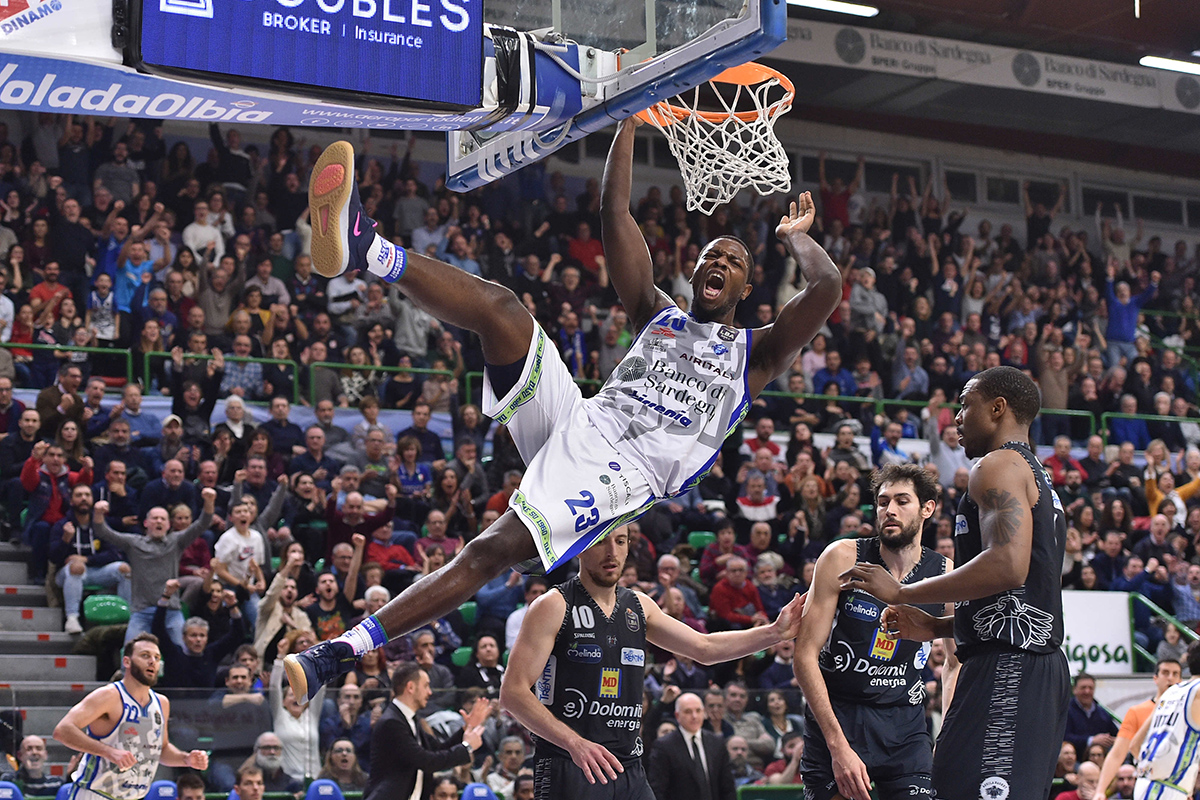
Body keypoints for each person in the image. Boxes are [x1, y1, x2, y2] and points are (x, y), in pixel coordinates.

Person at [285, 127, 840, 699]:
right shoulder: (658, 313)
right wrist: (627, 120)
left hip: (626, 472)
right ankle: (368, 248)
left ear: (746, 287)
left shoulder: (756, 354)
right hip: (583, 418)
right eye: (711, 256)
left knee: (489, 549)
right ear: (695, 273)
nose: (720, 262)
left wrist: (797, 238)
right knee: (502, 309)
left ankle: (337, 654)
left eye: (734, 261)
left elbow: (826, 287)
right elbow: (614, 210)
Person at [841, 366, 1070, 799]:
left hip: (1010, 666)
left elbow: (1007, 567)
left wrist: (903, 592)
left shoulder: (997, 466)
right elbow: (1022, 596)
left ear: (998, 408)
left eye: (966, 405)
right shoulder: (1037, 474)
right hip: (1024, 662)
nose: (957, 417)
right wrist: (938, 627)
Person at [500, 525, 803, 796]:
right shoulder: (553, 605)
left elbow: (704, 648)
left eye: (621, 541)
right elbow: (512, 693)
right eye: (601, 541)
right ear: (580, 547)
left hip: (628, 766)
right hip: (570, 764)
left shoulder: (639, 605)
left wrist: (775, 632)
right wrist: (574, 743)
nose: (612, 552)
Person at [794, 463, 950, 800]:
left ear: (927, 509)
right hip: (839, 718)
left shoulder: (944, 573)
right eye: (882, 502)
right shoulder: (842, 557)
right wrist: (838, 746)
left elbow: (956, 662)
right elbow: (804, 654)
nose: (889, 510)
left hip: (905, 727)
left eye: (902, 501)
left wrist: (947, 736)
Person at [52, 634, 209, 800]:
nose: (152, 662)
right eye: (145, 656)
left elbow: (161, 749)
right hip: (95, 794)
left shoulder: (162, 703)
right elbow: (62, 731)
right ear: (127, 662)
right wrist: (108, 752)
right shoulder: (109, 695)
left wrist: (186, 759)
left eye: (156, 657)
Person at [93, 490, 217, 647]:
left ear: (168, 524)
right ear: (146, 523)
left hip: (171, 612)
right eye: (155, 518)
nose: (158, 521)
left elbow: (202, 524)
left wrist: (209, 501)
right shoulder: (133, 543)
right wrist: (98, 512)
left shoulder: (176, 542)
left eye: (162, 519)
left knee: (183, 653)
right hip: (142, 611)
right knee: (130, 652)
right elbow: (103, 532)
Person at [364, 661, 490, 800]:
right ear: (410, 687)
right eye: (426, 686)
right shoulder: (392, 723)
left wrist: (466, 728)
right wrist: (467, 746)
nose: (430, 692)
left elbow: (437, 749)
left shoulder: (409, 719)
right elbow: (427, 761)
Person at [1125, 641, 1200, 800]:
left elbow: (1134, 746)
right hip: (1164, 788)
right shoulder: (1196, 692)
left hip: (1151, 784)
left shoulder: (1170, 692)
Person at [1095, 658, 1182, 794]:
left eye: (1175, 674)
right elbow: (1117, 754)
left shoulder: (1188, 712)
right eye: (1165, 673)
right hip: (1148, 781)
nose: (1170, 678)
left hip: (1179, 784)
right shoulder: (1137, 712)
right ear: (1155, 678)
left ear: (1181, 681)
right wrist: (1100, 790)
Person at [647, 693, 736, 800]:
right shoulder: (664, 746)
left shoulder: (717, 743)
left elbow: (727, 787)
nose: (694, 716)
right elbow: (658, 789)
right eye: (688, 712)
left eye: (698, 711)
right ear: (677, 715)